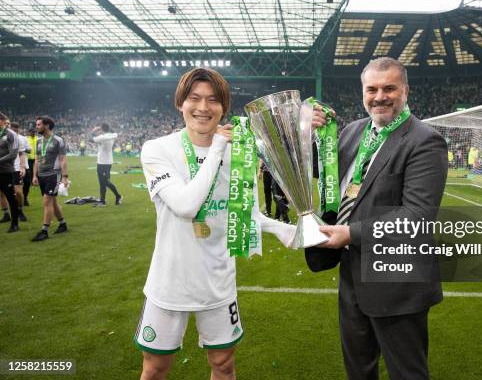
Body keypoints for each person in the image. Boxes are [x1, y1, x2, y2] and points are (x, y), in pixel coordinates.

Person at [135, 67, 295, 380]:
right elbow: (185, 205)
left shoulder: (240, 153)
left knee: (223, 365)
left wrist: (282, 228)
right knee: (154, 369)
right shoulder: (157, 149)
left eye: (213, 100)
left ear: (224, 107)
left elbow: (241, 213)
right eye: (194, 99)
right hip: (170, 283)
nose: (203, 108)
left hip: (218, 282)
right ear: (180, 103)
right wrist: (218, 149)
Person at [306, 57, 448, 380]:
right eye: (372, 89)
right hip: (352, 276)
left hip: (397, 282)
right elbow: (324, 172)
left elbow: (417, 217)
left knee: (406, 373)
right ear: (363, 92)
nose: (380, 96)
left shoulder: (425, 141)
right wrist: (310, 136)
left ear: (406, 91)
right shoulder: (354, 130)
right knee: (358, 370)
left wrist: (351, 234)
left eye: (389, 88)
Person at [31, 116, 69, 241]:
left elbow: (63, 159)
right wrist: (34, 175)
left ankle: (44, 231)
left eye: (38, 124)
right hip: (41, 175)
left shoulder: (58, 140)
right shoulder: (39, 141)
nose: (36, 127)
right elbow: (37, 159)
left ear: (47, 125)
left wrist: (64, 177)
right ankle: (63, 224)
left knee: (47, 201)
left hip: (54, 175)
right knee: (52, 201)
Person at [90, 123, 122, 206]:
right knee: (104, 182)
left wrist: (93, 131)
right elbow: (114, 132)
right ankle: (103, 200)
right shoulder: (113, 135)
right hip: (108, 162)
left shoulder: (102, 137)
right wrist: (105, 128)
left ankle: (117, 196)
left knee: (104, 182)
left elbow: (90, 139)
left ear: (101, 129)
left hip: (102, 162)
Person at [0, 112, 20, 233]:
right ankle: (6, 215)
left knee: (11, 198)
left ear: (1, 120)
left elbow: (13, 154)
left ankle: (15, 223)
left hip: (6, 172)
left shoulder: (11, 134)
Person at [10, 122, 29, 221]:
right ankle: (8, 213)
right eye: (12, 127)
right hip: (5, 169)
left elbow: (22, 153)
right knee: (5, 193)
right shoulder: (3, 137)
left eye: (16, 127)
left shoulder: (20, 139)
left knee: (18, 193)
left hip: (17, 169)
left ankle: (20, 210)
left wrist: (22, 167)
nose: (14, 129)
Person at [23, 128, 37, 206]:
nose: (33, 133)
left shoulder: (37, 139)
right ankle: (31, 182)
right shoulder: (26, 139)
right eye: (32, 132)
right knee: (29, 172)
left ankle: (34, 181)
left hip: (35, 158)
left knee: (36, 171)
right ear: (29, 132)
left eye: (34, 132)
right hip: (28, 159)